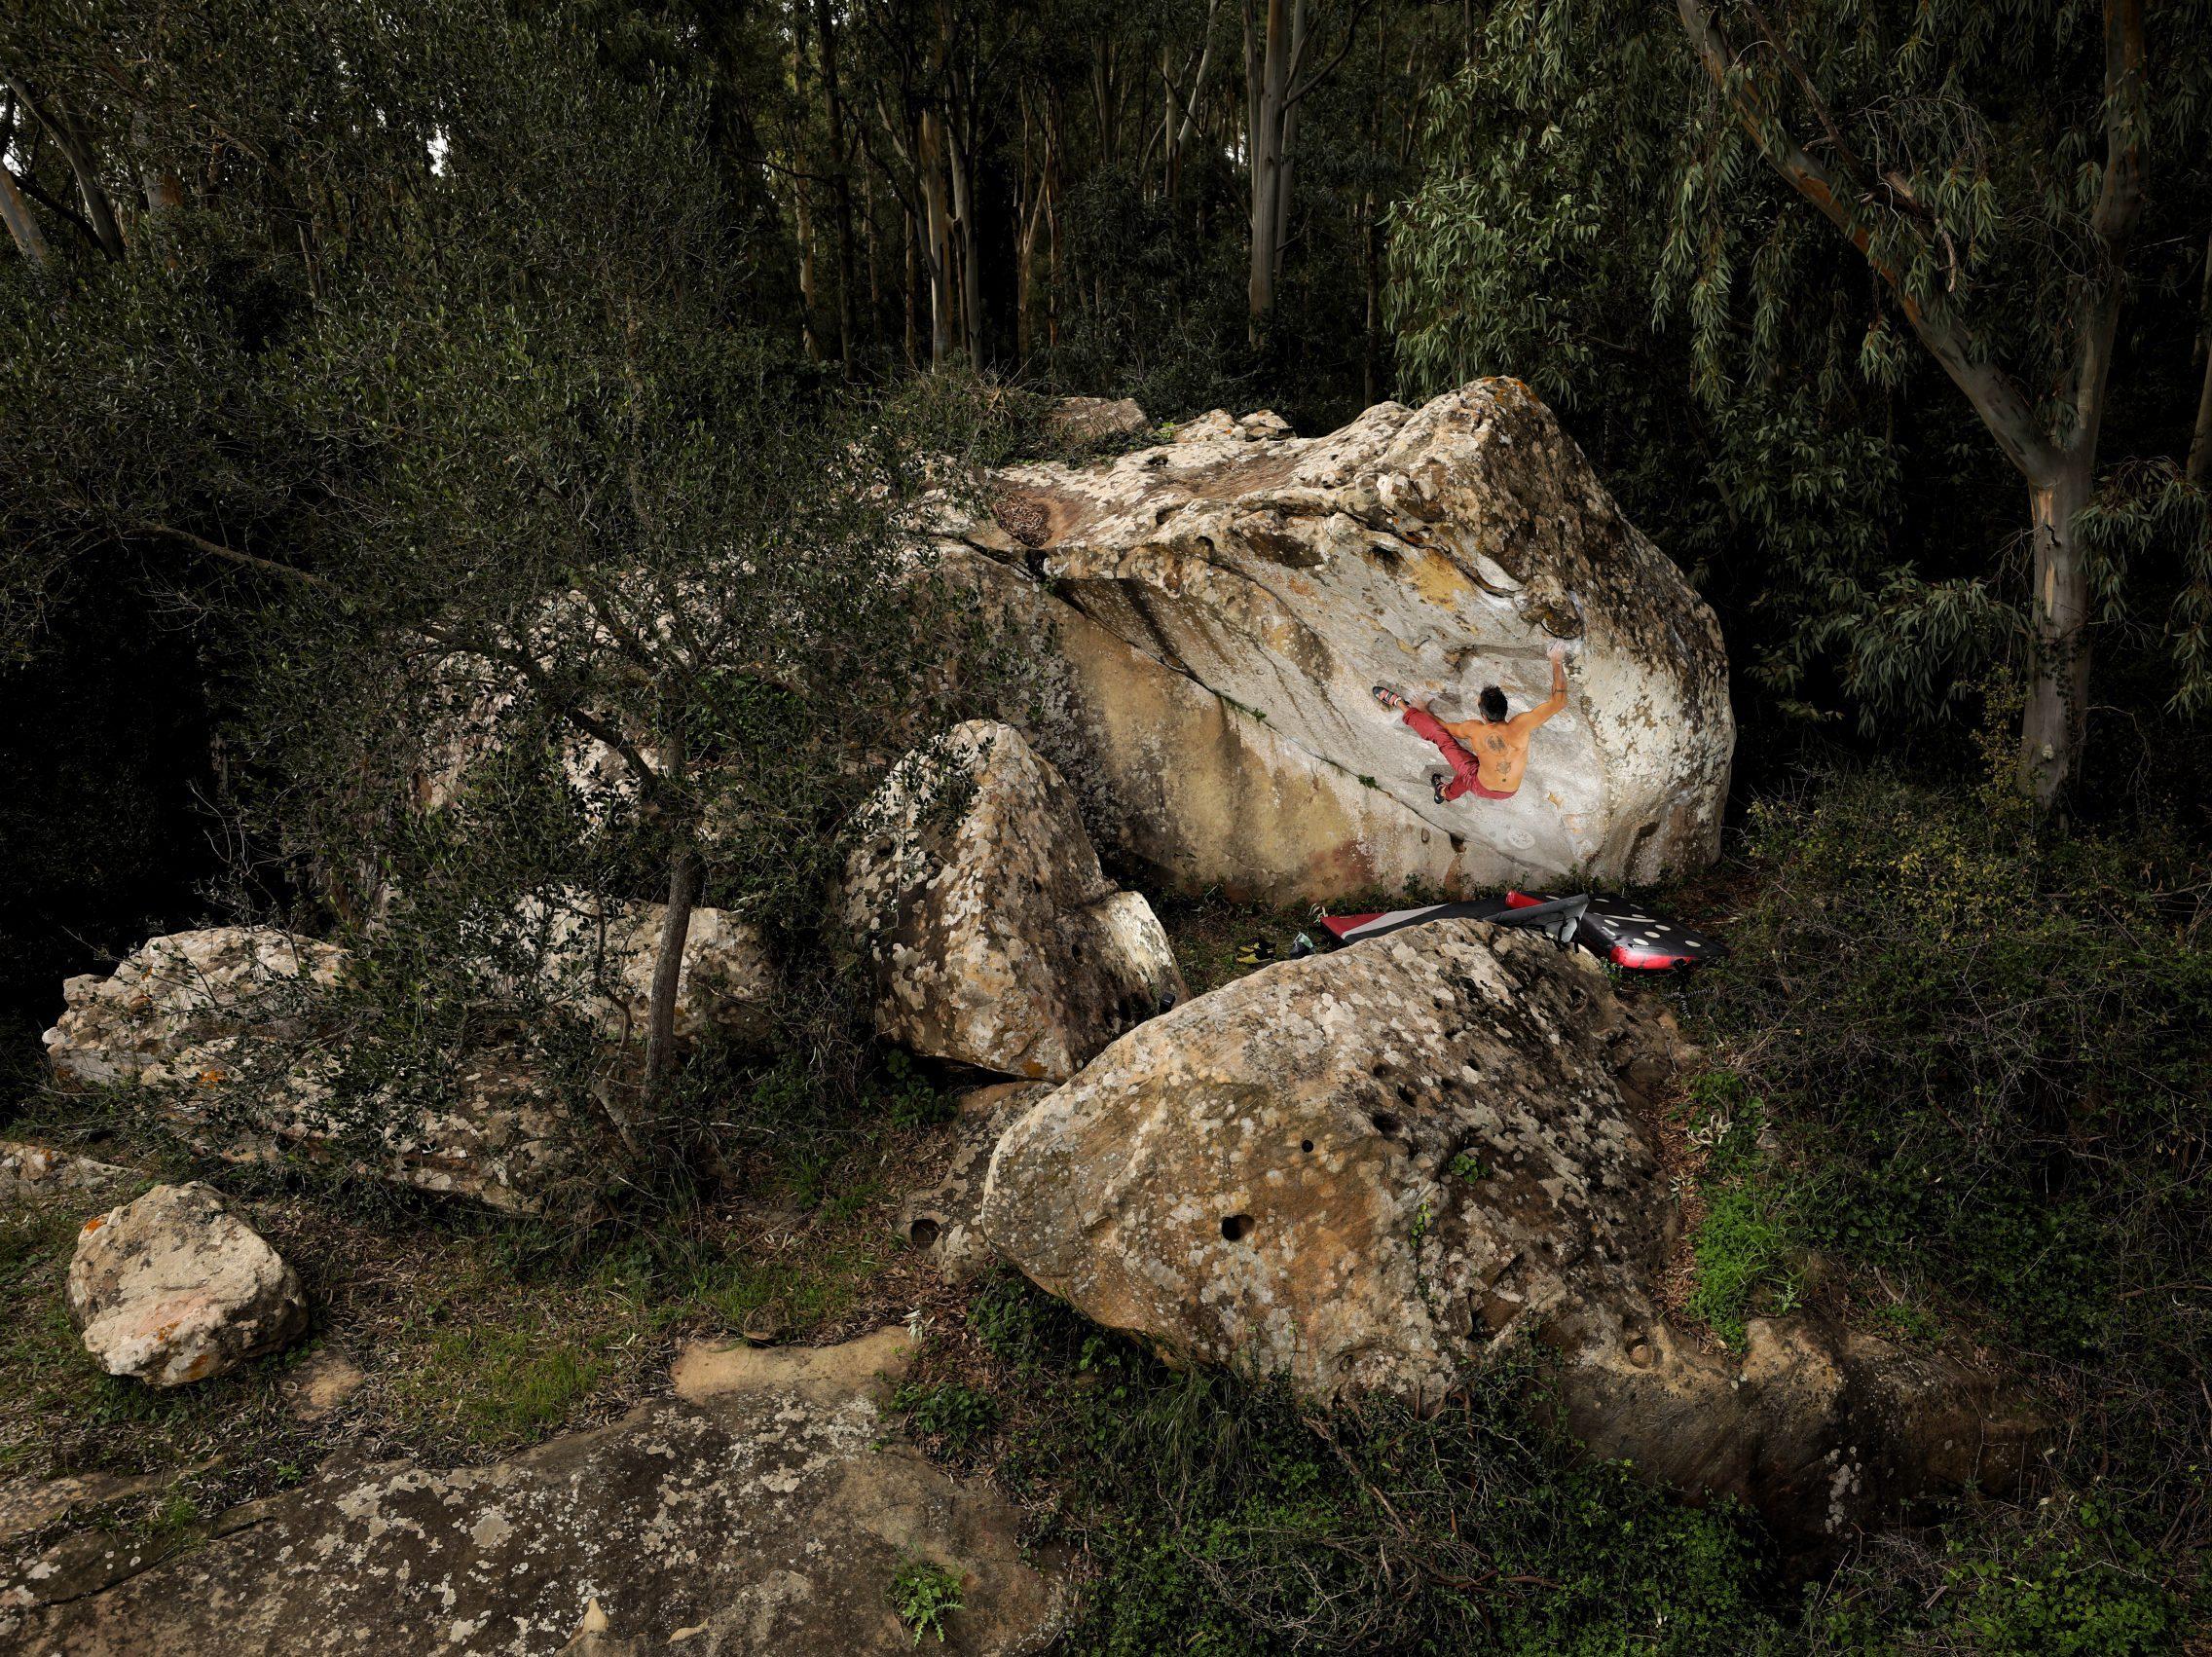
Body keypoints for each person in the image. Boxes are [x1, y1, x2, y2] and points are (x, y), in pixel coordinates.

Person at [1374, 642, 1570, 803]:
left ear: (1483, 715)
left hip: (1481, 785)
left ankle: (1402, 705)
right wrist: (1556, 661)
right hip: (1509, 792)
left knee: (1455, 756)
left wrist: (1425, 712)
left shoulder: (1475, 729)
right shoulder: (1521, 725)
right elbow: (1559, 701)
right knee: (1469, 771)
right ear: (1504, 709)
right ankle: (1444, 794)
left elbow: (1443, 732)